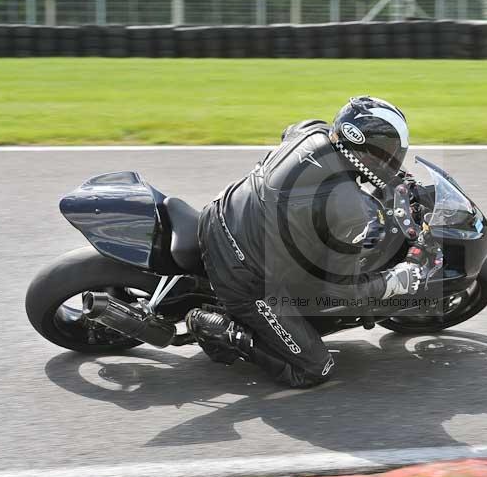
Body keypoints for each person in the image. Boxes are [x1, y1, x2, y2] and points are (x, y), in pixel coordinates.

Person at [186, 96, 436, 388]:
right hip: (243, 277)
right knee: (316, 368)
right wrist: (399, 279)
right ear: (364, 148)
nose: (394, 159)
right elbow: (341, 291)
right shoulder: (349, 211)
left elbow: (289, 135)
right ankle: (224, 331)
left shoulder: (312, 131)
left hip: (219, 212)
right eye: (389, 153)